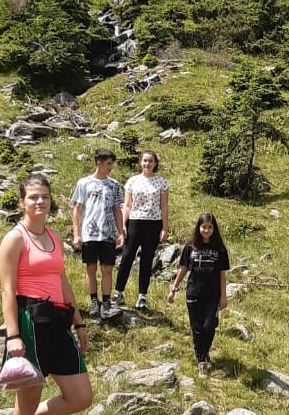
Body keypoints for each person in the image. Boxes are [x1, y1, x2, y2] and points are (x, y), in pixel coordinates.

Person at [0, 173, 92, 415]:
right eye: (33, 197)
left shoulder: (54, 236)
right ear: (22, 202)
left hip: (58, 321)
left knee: (81, 396)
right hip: (30, 323)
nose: (40, 202)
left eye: (45, 197)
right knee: (26, 405)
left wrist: (79, 323)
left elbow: (62, 281)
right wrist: (13, 336)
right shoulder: (14, 239)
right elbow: (7, 290)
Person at [167, 212, 229, 377]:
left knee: (209, 325)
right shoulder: (190, 246)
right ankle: (202, 360)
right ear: (198, 227)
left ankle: (205, 350)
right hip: (194, 293)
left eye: (210, 227)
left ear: (214, 228)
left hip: (213, 294)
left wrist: (223, 296)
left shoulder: (220, 249)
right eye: (204, 227)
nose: (206, 230)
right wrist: (173, 289)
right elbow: (183, 269)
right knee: (197, 328)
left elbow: (222, 274)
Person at [111, 150, 169, 310]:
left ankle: (142, 296)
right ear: (140, 162)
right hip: (135, 222)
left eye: (150, 161)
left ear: (155, 163)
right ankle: (118, 293)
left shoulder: (161, 182)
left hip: (154, 223)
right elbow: (127, 205)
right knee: (127, 257)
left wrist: (164, 228)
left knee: (147, 260)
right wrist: (123, 225)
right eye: (145, 160)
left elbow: (164, 206)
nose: (147, 164)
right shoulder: (132, 181)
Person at [70, 149, 125, 318]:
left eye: (112, 163)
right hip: (89, 233)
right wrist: (76, 234)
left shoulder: (114, 185)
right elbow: (77, 209)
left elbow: (117, 209)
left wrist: (121, 232)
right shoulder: (83, 183)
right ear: (98, 163)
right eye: (108, 163)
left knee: (107, 268)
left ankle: (106, 303)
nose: (111, 167)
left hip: (107, 234)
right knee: (91, 267)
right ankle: (94, 301)